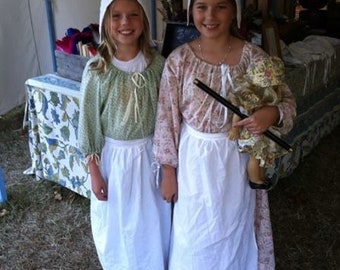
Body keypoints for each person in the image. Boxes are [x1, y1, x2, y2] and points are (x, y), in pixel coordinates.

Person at [153, 0, 296, 269]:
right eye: (201, 7)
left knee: (234, 223)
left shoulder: (255, 58)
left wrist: (273, 114)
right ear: (190, 11)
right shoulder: (179, 60)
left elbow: (287, 103)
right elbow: (166, 119)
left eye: (221, 6)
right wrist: (168, 171)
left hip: (238, 161)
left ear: (235, 12)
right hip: (194, 161)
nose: (210, 16)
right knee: (194, 231)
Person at [78, 0, 171, 269]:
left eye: (133, 15)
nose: (125, 23)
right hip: (114, 162)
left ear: (143, 21)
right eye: (116, 16)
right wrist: (95, 172)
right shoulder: (98, 71)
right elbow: (89, 123)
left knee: (151, 220)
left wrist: (167, 168)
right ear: (106, 22)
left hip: (150, 157)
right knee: (119, 222)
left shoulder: (158, 66)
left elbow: (166, 118)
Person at [228, 56, 289, 190]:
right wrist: (235, 129)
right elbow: (238, 113)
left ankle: (260, 177)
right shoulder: (249, 99)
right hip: (252, 133)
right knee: (255, 157)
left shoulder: (265, 98)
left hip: (261, 133)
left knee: (261, 157)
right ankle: (255, 179)